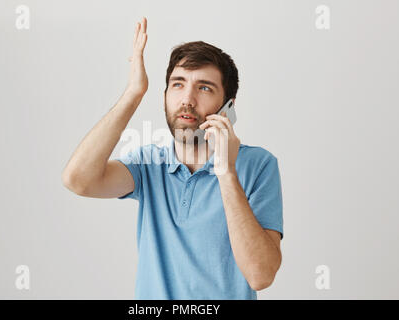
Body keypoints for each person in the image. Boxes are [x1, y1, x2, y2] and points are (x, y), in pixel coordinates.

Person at [62, 17, 283, 300]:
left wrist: (226, 172)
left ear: (228, 107)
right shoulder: (148, 163)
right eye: (177, 85)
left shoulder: (259, 165)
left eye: (204, 88)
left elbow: (260, 275)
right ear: (165, 94)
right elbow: (78, 180)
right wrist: (134, 92)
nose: (187, 99)